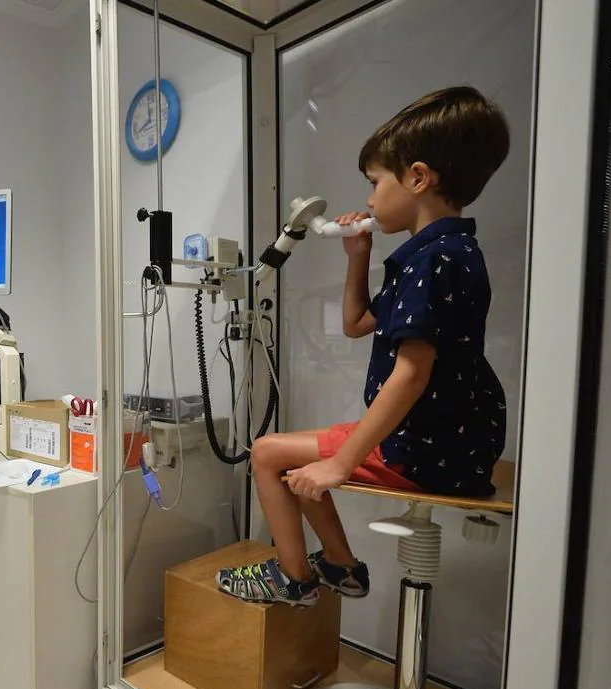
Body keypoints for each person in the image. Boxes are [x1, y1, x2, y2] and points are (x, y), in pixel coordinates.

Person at [218, 86, 511, 606]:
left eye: (376, 183)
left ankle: (296, 580)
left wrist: (338, 465)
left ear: (418, 178)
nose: (371, 200)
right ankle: (339, 567)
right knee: (280, 455)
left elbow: (412, 374)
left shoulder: (436, 260)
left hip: (427, 449)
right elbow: (355, 323)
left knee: (266, 454)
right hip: (436, 436)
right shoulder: (438, 255)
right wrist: (358, 254)